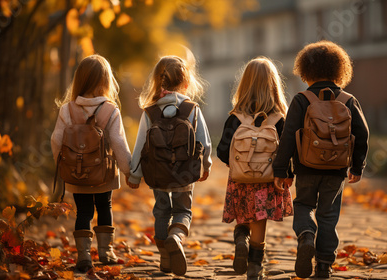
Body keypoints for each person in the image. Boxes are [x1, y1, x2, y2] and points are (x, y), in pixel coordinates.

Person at [273, 40, 369, 278]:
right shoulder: (348, 100)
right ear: (340, 69)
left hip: (306, 168)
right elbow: (362, 133)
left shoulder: (301, 100)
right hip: (336, 170)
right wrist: (357, 166)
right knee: (328, 215)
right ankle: (324, 264)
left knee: (304, 205)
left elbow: (287, 136)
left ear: (305, 71)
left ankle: (306, 234)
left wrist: (282, 169)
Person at [128, 55, 212, 276]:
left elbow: (140, 146)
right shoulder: (192, 108)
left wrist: (135, 175)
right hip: (184, 173)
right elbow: (205, 141)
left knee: (162, 212)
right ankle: (176, 237)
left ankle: (165, 259)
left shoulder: (150, 111)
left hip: (158, 173)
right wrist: (206, 164)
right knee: (183, 210)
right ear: (186, 83)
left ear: (158, 81)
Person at [51, 54, 132, 272]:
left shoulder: (67, 110)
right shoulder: (110, 110)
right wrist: (129, 170)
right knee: (104, 206)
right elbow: (118, 143)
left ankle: (84, 256)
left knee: (83, 212)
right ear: (104, 82)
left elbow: (56, 140)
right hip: (103, 173)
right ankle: (106, 252)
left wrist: (63, 165)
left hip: (76, 173)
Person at [217, 57, 294, 280]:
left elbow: (223, 150)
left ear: (244, 84)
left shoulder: (236, 117)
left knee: (244, 213)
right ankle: (255, 265)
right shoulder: (279, 118)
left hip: (240, 179)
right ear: (274, 84)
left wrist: (239, 166)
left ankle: (241, 239)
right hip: (269, 180)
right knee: (260, 218)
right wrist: (286, 174)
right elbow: (289, 149)